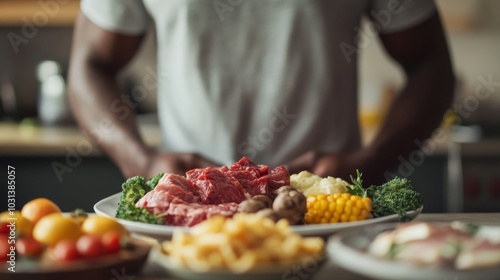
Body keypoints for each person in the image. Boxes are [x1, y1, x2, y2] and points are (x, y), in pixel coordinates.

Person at [68, 0, 454, 186]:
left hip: (325, 213)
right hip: (186, 213)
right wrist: (139, 160)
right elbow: (89, 65)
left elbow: (430, 63)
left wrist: (370, 163)